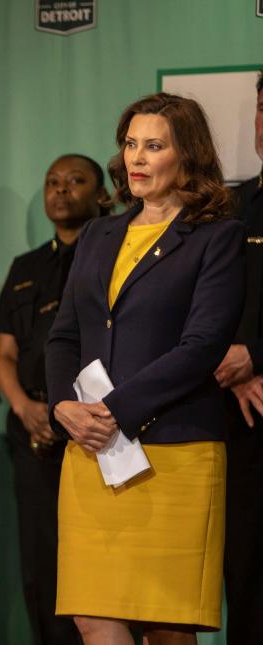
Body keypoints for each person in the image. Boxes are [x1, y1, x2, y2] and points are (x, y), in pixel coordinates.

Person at [45, 93, 245, 644]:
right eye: (130, 144)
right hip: (90, 451)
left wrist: (112, 411)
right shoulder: (98, 234)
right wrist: (64, 405)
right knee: (92, 615)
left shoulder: (216, 237)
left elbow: (203, 346)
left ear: (188, 156)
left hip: (174, 453)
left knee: (167, 628)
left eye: (153, 146)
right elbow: (63, 335)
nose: (136, 157)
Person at [0, 153, 108, 645]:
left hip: (100, 429)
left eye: (75, 181)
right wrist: (24, 407)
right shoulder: (26, 267)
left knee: (102, 567)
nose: (61, 190)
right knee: (43, 562)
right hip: (35, 430)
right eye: (52, 182)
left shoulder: (113, 253)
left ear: (102, 195)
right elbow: (5, 355)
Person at [216, 69, 263, 644]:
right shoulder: (229, 208)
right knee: (247, 581)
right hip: (241, 421)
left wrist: (256, 355)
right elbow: (195, 312)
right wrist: (230, 373)